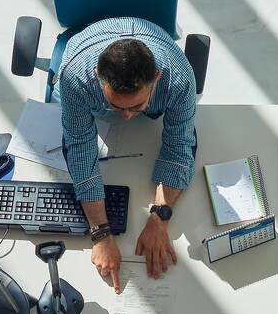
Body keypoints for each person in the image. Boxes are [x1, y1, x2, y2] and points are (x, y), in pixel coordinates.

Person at [53, 16, 198, 292]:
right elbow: (80, 149)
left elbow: (180, 147)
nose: (129, 117)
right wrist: (100, 233)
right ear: (97, 76)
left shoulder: (180, 80)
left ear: (157, 77)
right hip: (85, 47)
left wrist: (159, 216)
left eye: (139, 105)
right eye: (117, 106)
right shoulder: (75, 77)